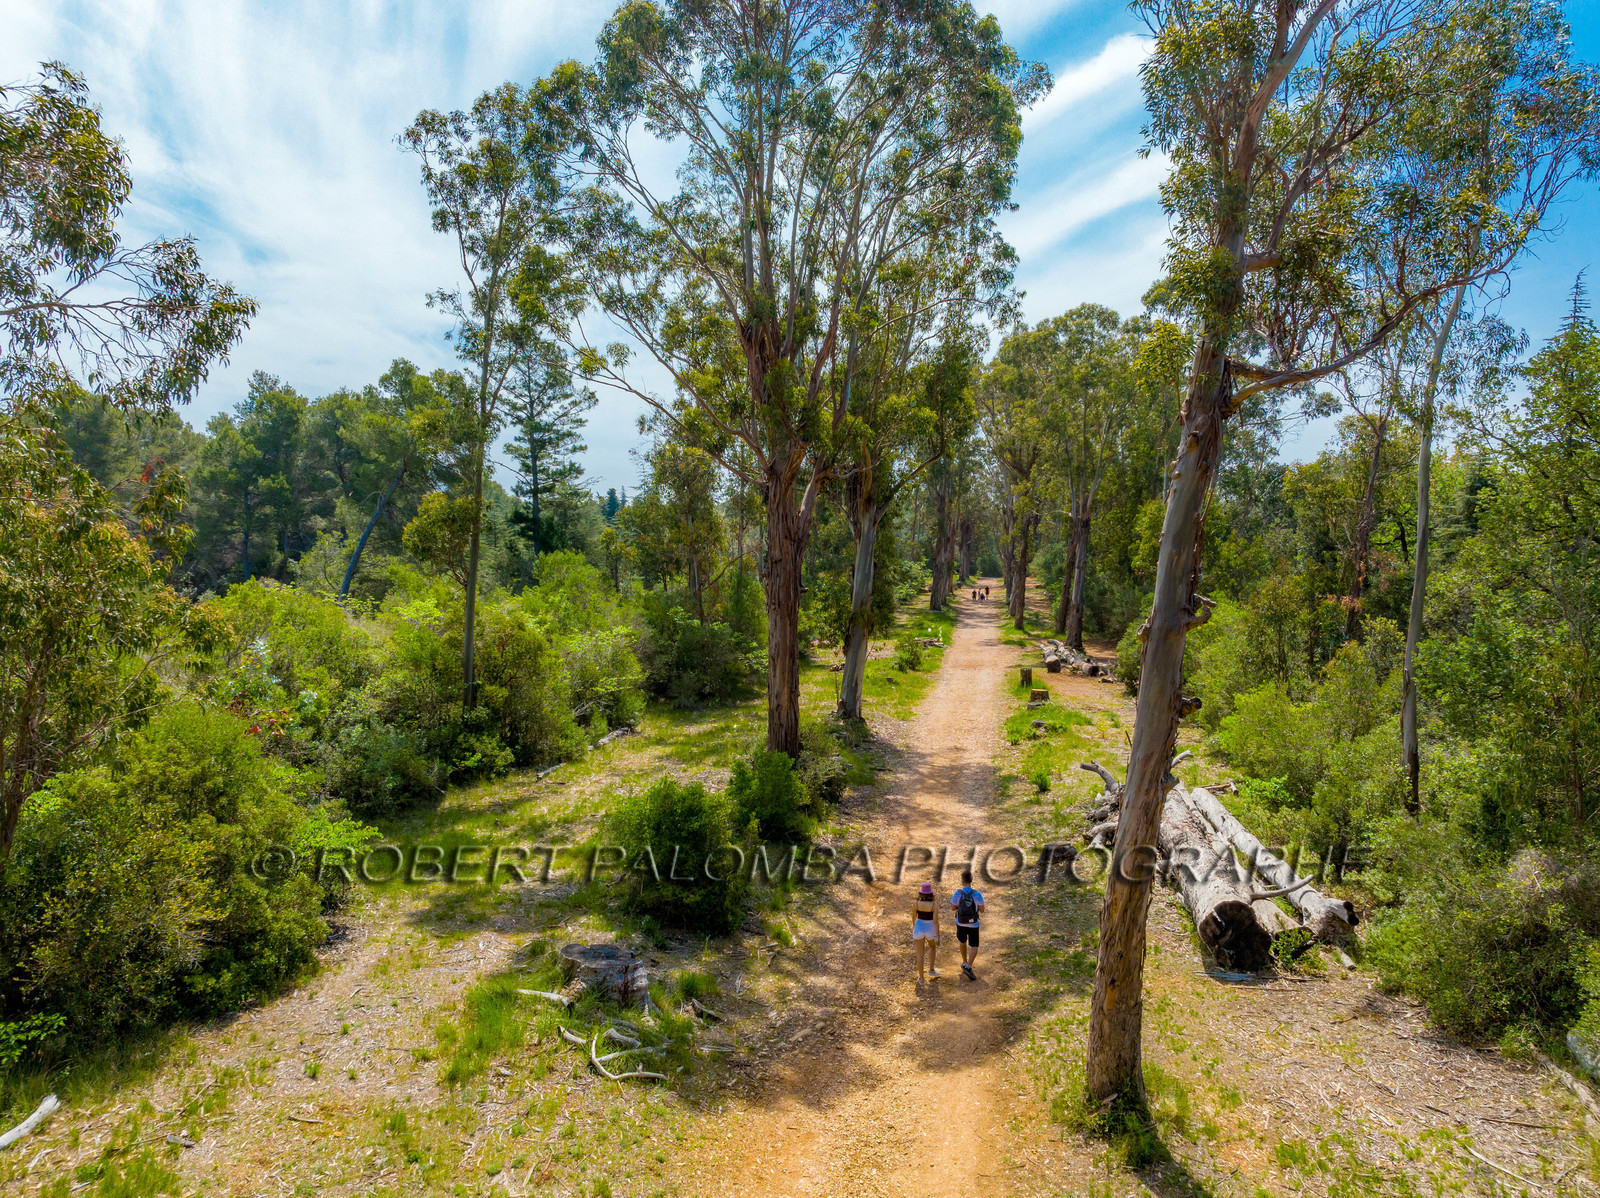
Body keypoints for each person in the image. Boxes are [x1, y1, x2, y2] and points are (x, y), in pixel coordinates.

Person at [951, 869, 985, 979]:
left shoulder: (958, 893)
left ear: (962, 881)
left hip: (960, 922)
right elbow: (982, 909)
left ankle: (964, 961)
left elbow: (952, 908)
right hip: (973, 923)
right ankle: (969, 966)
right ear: (971, 881)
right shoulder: (977, 894)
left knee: (962, 941)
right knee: (974, 945)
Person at [912, 881, 941, 983]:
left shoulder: (916, 903)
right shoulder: (934, 905)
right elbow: (936, 922)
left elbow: (913, 917)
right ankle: (931, 969)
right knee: (932, 946)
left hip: (919, 926)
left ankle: (921, 978)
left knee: (920, 953)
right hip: (930, 928)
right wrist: (937, 936)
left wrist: (915, 927)